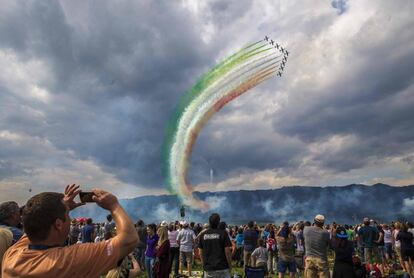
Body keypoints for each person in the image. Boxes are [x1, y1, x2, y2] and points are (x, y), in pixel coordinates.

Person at [1, 184, 138, 278]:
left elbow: (36, 225)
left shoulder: (12, 255)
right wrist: (114, 205)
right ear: (58, 224)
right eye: (68, 215)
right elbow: (129, 239)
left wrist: (60, 209)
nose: (70, 217)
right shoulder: (69, 261)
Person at [198, 213, 232, 278]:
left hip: (208, 268)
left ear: (209, 222)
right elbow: (227, 252)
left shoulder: (203, 234)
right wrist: (230, 265)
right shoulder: (223, 233)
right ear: (218, 222)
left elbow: (200, 252)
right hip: (222, 267)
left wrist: (203, 265)